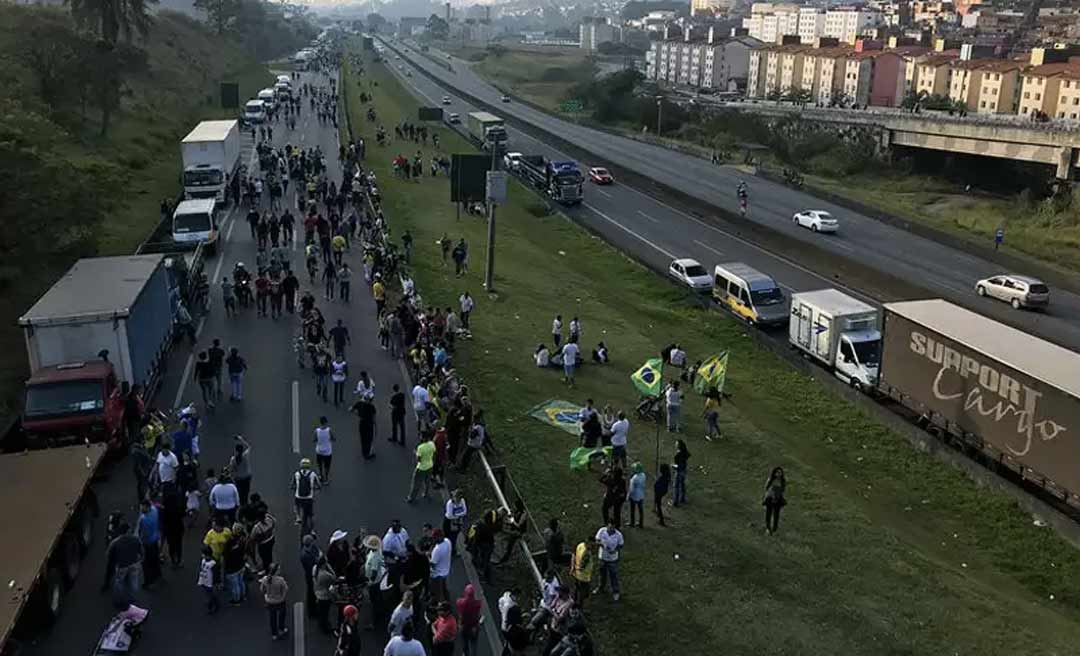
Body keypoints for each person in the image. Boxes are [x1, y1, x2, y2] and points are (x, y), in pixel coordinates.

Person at [594, 521, 624, 601]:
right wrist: (602, 545)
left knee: (613, 575)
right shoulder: (602, 531)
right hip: (602, 557)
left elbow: (620, 545)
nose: (610, 529)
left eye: (612, 528)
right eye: (609, 527)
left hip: (612, 559)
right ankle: (601, 588)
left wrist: (614, 551)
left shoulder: (618, 535)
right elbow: (597, 540)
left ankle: (616, 592)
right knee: (601, 574)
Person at [136, 499, 161, 588]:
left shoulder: (144, 519)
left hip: (147, 543)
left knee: (145, 563)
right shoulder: (154, 510)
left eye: (142, 507)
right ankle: (158, 575)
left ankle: (148, 581)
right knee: (155, 559)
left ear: (146, 507)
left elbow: (142, 533)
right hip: (155, 539)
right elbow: (156, 505)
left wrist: (140, 543)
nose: (141, 509)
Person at [495, 500, 527, 566]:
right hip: (513, 529)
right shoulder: (516, 511)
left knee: (509, 545)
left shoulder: (524, 514)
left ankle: (504, 559)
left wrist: (512, 521)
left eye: (515, 506)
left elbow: (518, 525)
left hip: (518, 532)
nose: (513, 507)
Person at [406, 432, 436, 502]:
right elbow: (434, 454)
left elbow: (419, 460)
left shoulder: (420, 448)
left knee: (416, 483)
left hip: (421, 468)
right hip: (430, 466)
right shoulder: (432, 444)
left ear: (422, 438)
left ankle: (411, 497)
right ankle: (426, 493)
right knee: (427, 481)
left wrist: (415, 453)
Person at [292, 458, 321, 526]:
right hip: (309, 497)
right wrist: (315, 488)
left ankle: (298, 517)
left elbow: (292, 485)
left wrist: (295, 488)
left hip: (299, 496)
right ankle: (312, 530)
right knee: (311, 515)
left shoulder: (296, 473)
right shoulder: (313, 474)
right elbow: (319, 485)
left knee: (296, 506)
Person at [456, 584, 482, 656]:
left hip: (464, 627)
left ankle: (465, 654)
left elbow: (460, 614)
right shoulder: (477, 603)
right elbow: (477, 615)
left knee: (465, 643)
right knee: (474, 644)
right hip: (474, 627)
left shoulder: (460, 602)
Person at [313, 556, 336, 634]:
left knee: (321, 611)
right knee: (325, 612)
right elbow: (334, 578)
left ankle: (321, 623)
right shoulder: (325, 575)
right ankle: (325, 628)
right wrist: (329, 567)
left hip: (317, 593)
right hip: (325, 595)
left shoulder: (315, 569)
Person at [763, 466, 787, 535]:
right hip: (770, 498)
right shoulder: (771, 479)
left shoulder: (782, 481)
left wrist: (778, 494)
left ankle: (774, 529)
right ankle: (768, 528)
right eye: (777, 472)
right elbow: (766, 488)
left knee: (776, 515)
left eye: (780, 472)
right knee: (768, 514)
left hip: (778, 498)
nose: (779, 474)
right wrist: (770, 494)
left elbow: (783, 490)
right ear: (774, 473)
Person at [230, 435, 253, 506]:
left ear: (236, 450)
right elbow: (249, 446)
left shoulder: (233, 459)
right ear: (242, 450)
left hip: (238, 479)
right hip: (246, 478)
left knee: (240, 494)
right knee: (246, 493)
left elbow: (232, 470)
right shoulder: (245, 455)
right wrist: (241, 439)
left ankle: (240, 507)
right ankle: (245, 505)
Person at [198, 545, 220, 614]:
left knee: (212, 593)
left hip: (210, 581)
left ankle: (213, 605)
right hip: (204, 579)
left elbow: (216, 574)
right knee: (207, 592)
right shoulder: (203, 560)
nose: (202, 555)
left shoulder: (213, 563)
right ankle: (210, 601)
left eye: (203, 554)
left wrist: (216, 582)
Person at [314, 416, 335, 483]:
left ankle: (320, 475)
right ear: (326, 422)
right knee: (327, 466)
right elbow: (333, 438)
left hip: (319, 451)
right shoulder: (329, 430)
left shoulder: (316, 431)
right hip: (327, 452)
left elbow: (315, 439)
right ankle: (326, 478)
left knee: (319, 464)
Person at [627, 463, 647, 528]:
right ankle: (641, 523)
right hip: (641, 494)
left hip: (634, 495)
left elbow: (631, 489)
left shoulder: (634, 478)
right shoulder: (643, 475)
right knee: (640, 510)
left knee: (632, 510)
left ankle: (632, 523)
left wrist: (628, 496)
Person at [673, 440, 690, 507]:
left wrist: (673, 466)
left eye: (676, 444)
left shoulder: (677, 455)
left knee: (676, 486)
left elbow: (677, 465)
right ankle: (682, 498)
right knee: (682, 485)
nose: (675, 445)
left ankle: (675, 501)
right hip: (684, 471)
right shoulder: (684, 452)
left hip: (679, 472)